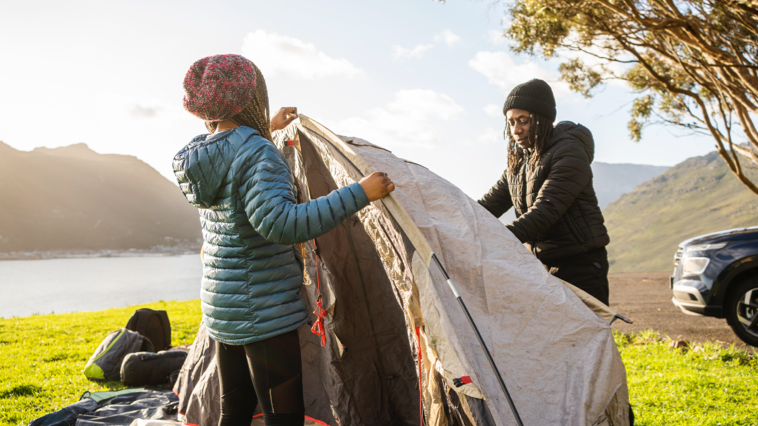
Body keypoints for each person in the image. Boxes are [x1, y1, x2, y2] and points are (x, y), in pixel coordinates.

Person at [173, 54, 395, 426]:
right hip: (264, 312)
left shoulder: (202, 155)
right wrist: (359, 193)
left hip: (223, 310)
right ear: (250, 98)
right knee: (284, 417)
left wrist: (266, 130)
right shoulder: (259, 153)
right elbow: (281, 223)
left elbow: (238, 161)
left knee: (236, 409)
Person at [478, 78, 611, 305]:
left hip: (581, 266)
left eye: (523, 120)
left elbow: (544, 212)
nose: (516, 130)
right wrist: (450, 221)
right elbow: (486, 207)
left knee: (585, 339)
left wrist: (492, 240)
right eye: (510, 122)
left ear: (541, 119)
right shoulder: (519, 161)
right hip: (543, 266)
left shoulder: (569, 152)